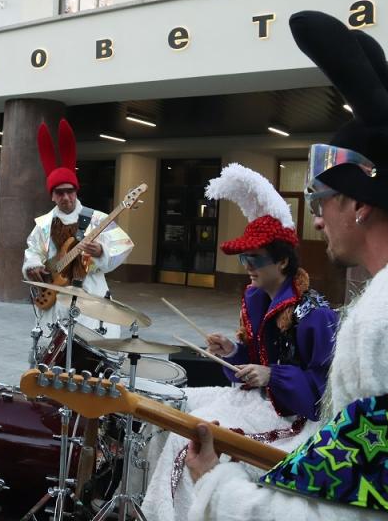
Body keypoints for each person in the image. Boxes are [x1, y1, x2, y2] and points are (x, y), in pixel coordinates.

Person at [184, 11, 388, 520]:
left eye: (321, 200)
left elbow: (361, 512)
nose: (317, 221)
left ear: (360, 203)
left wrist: (216, 487)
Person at [141, 163, 338, 521]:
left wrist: (272, 376)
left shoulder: (314, 314)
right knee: (168, 414)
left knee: (191, 442)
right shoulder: (257, 296)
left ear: (281, 260)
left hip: (293, 417)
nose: (246, 265)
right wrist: (233, 353)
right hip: (255, 400)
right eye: (243, 257)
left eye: (254, 258)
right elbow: (254, 358)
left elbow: (323, 393)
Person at [23, 118, 134, 337]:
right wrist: (33, 266)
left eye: (70, 191)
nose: (66, 197)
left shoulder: (97, 218)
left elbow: (124, 244)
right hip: (55, 300)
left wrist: (102, 251)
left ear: (76, 191)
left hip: (90, 297)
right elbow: (32, 252)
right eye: (60, 193)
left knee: (91, 356)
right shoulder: (43, 224)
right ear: (52, 196)